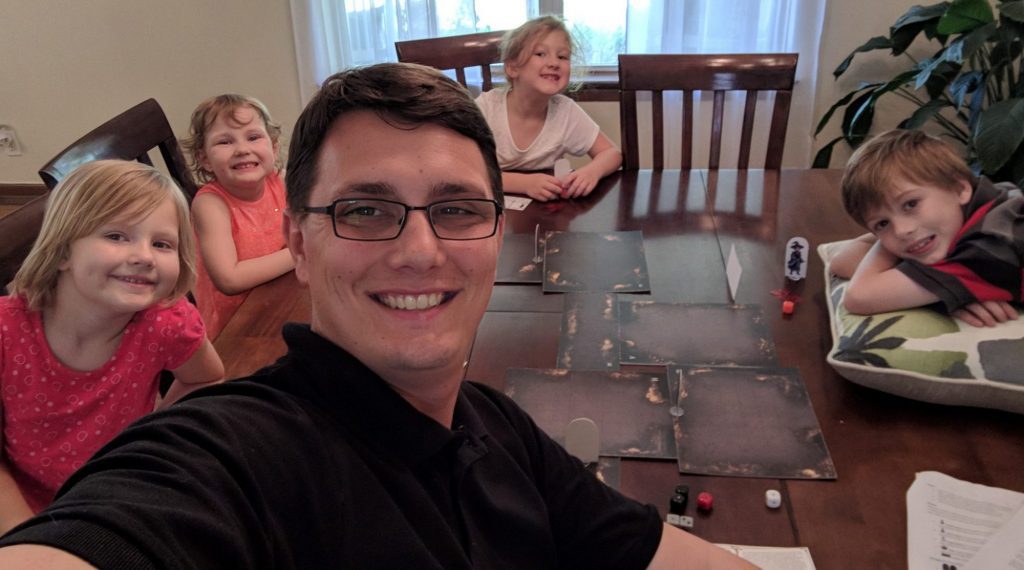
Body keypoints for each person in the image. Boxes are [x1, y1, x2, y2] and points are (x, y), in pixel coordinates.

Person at [0, 64, 751, 569]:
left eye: (457, 210)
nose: (421, 251)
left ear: (497, 233)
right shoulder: (236, 455)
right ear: (298, 241)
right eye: (365, 209)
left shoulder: (492, 427)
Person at [0, 160, 224, 534]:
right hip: (21, 507)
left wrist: (147, 437)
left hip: (113, 495)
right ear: (63, 251)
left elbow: (206, 379)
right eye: (116, 236)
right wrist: (24, 533)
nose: (144, 255)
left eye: (162, 243)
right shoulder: (7, 330)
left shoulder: (165, 324)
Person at [831, 129, 1024, 327]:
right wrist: (946, 292)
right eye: (882, 223)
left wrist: (942, 292)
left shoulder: (986, 248)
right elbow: (839, 262)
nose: (902, 230)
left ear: (960, 189)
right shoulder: (990, 200)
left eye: (910, 204)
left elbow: (858, 297)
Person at [183, 94, 295, 338]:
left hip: (277, 299)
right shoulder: (210, 204)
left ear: (274, 148)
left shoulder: (280, 184)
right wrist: (300, 252)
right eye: (225, 142)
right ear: (205, 159)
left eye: (253, 137)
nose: (242, 150)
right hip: (235, 329)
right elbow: (229, 279)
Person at [476, 16, 622, 202]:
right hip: (489, 209)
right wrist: (524, 184)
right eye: (540, 53)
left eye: (562, 56)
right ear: (513, 67)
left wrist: (591, 172)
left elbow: (612, 154)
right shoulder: (486, 109)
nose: (554, 63)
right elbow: (462, 170)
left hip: (545, 214)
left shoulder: (565, 111)